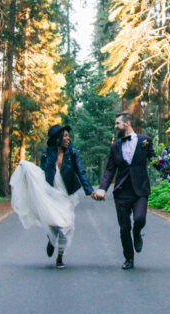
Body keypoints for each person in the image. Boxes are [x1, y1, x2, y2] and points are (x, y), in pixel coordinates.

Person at [9, 124, 94, 269]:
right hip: (51, 194)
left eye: (68, 135)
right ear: (57, 138)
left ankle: (60, 258)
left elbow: (81, 171)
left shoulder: (72, 152)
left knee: (65, 226)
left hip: (66, 195)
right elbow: (41, 174)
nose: (68, 138)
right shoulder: (47, 155)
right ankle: (51, 238)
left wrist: (90, 191)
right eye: (65, 135)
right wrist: (27, 169)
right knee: (54, 223)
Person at [92, 112, 155, 270]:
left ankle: (137, 233)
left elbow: (153, 160)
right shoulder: (115, 146)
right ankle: (129, 258)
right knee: (124, 227)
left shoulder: (145, 141)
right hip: (121, 191)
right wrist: (102, 189)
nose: (115, 127)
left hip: (140, 189)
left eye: (117, 124)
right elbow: (110, 170)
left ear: (127, 124)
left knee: (139, 219)